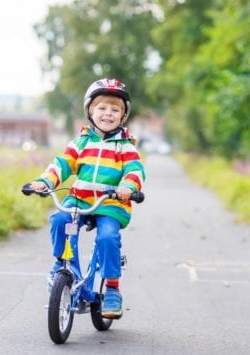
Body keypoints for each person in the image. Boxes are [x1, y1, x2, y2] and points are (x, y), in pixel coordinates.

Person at [27, 78, 145, 319]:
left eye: (115, 109)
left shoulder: (126, 147)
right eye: (102, 108)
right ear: (91, 111)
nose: (108, 114)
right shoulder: (80, 143)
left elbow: (134, 171)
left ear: (123, 116)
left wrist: (126, 186)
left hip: (110, 204)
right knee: (60, 220)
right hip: (79, 200)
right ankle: (62, 265)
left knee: (108, 236)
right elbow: (62, 165)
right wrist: (45, 182)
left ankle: (112, 288)